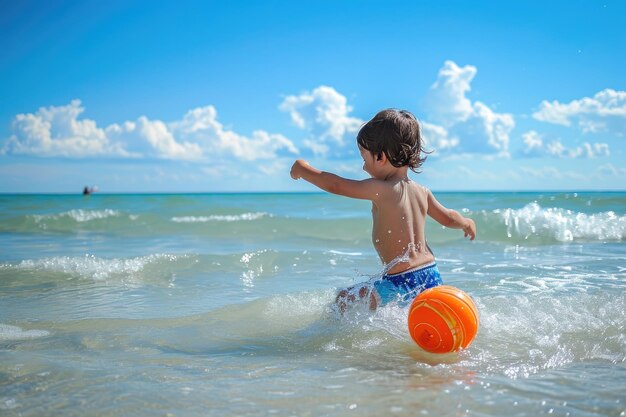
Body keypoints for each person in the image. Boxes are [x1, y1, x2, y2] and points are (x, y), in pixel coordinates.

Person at [290, 109, 476, 311]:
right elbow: (448, 218)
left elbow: (337, 185)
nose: (363, 168)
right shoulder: (423, 191)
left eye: (364, 159)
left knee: (343, 300)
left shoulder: (381, 189)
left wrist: (303, 169)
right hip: (431, 274)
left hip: (399, 281)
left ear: (380, 157)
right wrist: (466, 222)